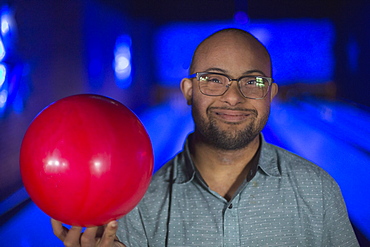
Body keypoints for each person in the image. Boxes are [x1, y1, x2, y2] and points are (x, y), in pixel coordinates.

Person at [51, 28, 359, 246]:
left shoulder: (318, 191)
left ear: (271, 94)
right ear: (187, 91)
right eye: (214, 79)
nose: (234, 97)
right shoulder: (137, 205)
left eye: (253, 81)